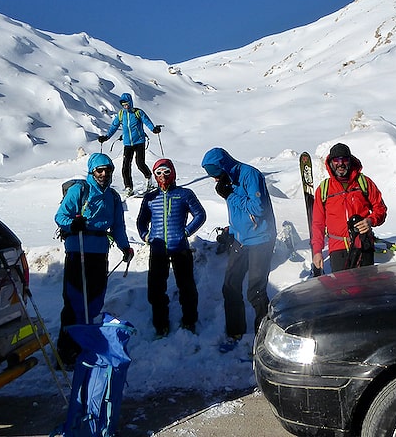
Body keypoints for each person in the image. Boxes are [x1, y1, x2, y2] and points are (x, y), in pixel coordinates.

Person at [54, 152, 134, 367]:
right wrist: (73, 224)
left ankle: (85, 345)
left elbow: (118, 226)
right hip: (78, 251)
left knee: (94, 301)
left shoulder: (113, 197)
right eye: (100, 170)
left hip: (99, 253)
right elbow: (60, 216)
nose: (104, 174)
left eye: (108, 170)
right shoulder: (79, 191)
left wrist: (125, 246)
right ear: (92, 171)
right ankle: (66, 350)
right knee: (74, 301)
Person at [201, 147, 277, 353]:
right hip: (241, 240)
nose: (215, 179)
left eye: (216, 174)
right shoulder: (228, 180)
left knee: (256, 291)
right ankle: (235, 332)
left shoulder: (250, 175)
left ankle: (263, 339)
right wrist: (232, 233)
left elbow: (258, 208)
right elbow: (235, 211)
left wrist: (230, 195)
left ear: (224, 167)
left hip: (261, 239)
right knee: (230, 286)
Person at [136, 158, 207, 337]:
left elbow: (200, 214)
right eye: (158, 173)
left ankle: (189, 321)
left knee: (187, 287)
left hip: (180, 247)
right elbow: (141, 220)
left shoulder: (184, 194)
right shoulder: (150, 197)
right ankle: (161, 325)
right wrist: (145, 236)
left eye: (166, 172)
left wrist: (187, 231)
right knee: (156, 289)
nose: (163, 176)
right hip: (158, 249)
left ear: (173, 173)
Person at [311, 143, 388, 274]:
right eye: (336, 160)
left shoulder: (364, 182)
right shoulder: (324, 189)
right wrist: (317, 251)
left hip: (363, 244)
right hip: (338, 248)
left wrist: (370, 220)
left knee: (366, 284)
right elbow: (318, 223)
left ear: (350, 161)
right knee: (343, 286)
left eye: (344, 159)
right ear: (331, 163)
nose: (340, 164)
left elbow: (380, 209)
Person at [98, 93, 161, 197]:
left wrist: (153, 129)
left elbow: (147, 121)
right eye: (123, 105)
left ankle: (149, 179)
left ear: (130, 103)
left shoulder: (138, 112)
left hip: (139, 141)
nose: (125, 106)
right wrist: (106, 137)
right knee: (125, 166)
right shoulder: (121, 114)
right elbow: (114, 126)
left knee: (140, 163)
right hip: (127, 144)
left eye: (127, 104)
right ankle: (128, 187)